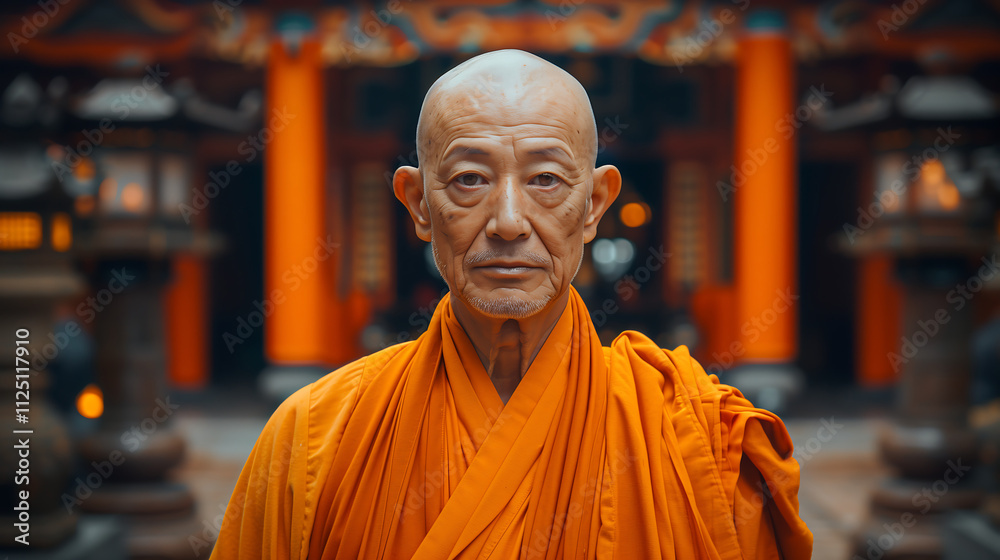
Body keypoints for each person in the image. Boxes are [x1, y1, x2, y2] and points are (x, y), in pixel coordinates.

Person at [210, 49, 813, 559]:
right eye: (469, 179)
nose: (507, 221)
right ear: (418, 202)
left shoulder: (699, 440)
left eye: (546, 180)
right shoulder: (314, 434)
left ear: (596, 204)